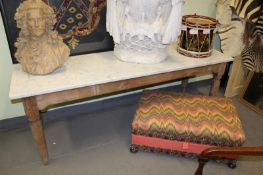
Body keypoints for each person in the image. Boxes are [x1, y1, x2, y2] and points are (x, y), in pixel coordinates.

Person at [14, 0, 70, 75]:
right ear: (25, 23)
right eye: (31, 20)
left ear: (47, 20)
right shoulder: (22, 51)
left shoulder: (60, 50)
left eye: (40, 19)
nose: (36, 24)